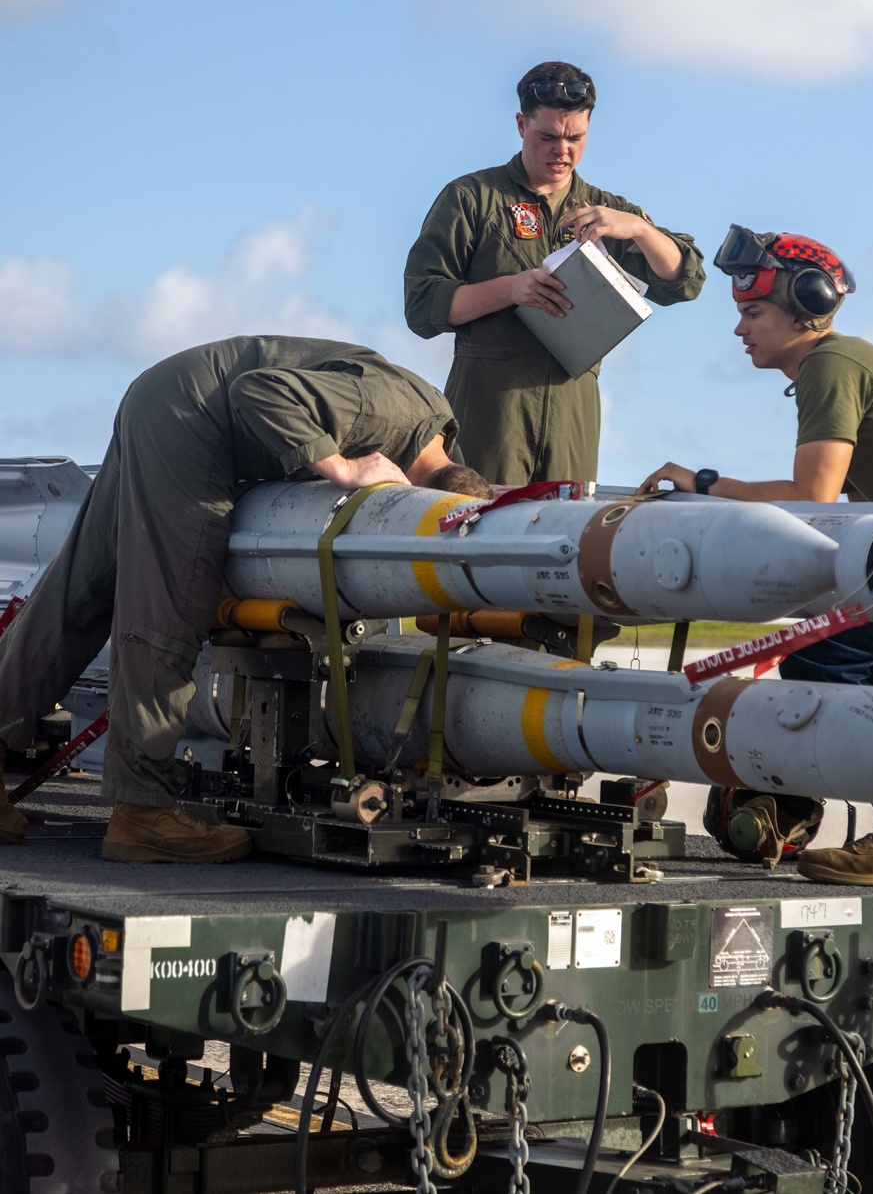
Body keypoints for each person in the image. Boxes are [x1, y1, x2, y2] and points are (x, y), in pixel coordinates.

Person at [0, 337, 487, 863]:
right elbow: (263, 391)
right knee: (170, 606)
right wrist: (344, 470)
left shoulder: (417, 416)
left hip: (165, 399)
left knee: (83, 587)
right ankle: (142, 816)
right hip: (190, 421)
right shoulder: (390, 413)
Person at [639, 226, 873, 886]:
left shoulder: (830, 365)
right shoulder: (844, 366)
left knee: (823, 651)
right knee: (856, 645)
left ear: (803, 306)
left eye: (753, 313)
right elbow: (853, 514)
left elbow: (814, 495)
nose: (740, 330)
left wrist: (705, 484)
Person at [404, 61, 705, 483]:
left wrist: (638, 229)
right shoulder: (472, 198)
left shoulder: (606, 211)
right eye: (547, 136)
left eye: (575, 138)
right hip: (491, 407)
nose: (561, 150)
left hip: (573, 408)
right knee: (478, 526)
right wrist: (512, 289)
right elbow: (422, 305)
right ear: (521, 125)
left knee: (563, 536)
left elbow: (685, 281)